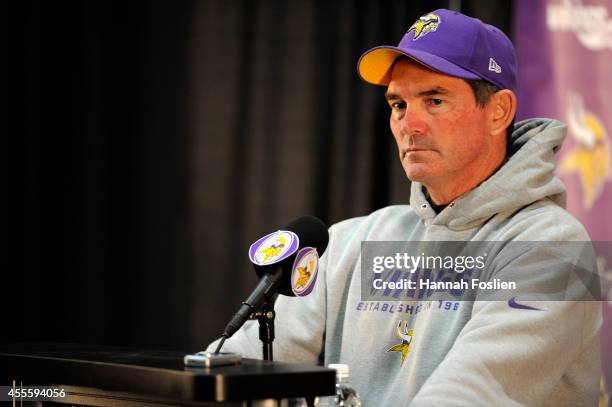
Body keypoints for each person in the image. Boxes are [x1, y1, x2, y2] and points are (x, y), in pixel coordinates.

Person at [208, 9, 601, 406]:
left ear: (498, 111)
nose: (408, 124)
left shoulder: (555, 248)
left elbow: (469, 395)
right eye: (398, 104)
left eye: (434, 100)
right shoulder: (348, 243)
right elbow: (232, 373)